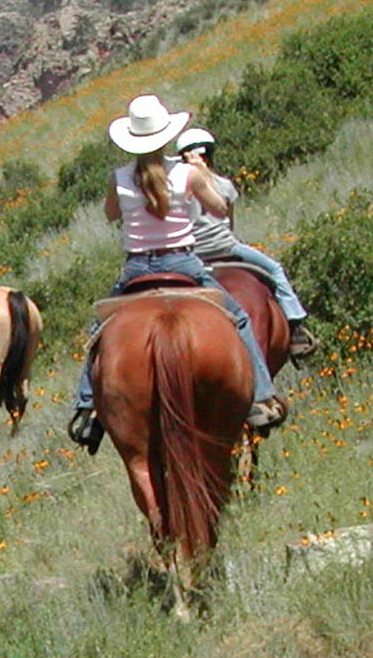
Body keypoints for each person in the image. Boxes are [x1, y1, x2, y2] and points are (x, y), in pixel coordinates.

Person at [68, 94, 285, 450]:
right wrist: (203, 178)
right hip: (183, 263)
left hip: (136, 267)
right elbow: (219, 208)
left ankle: (88, 408)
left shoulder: (118, 178)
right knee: (240, 318)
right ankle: (261, 397)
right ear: (166, 135)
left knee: (98, 331)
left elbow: (111, 215)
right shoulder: (187, 174)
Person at [175, 127, 312, 347]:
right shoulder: (224, 185)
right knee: (275, 270)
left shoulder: (176, 189)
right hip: (227, 247)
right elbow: (229, 223)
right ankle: (296, 325)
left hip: (193, 253)